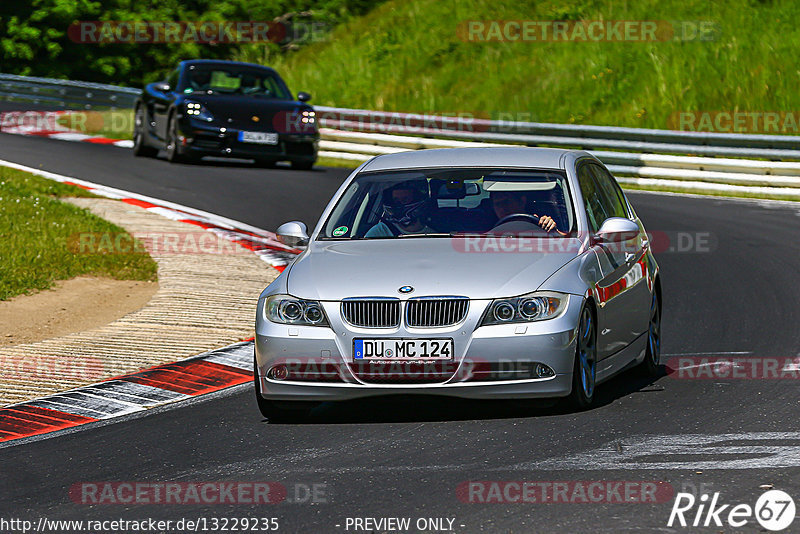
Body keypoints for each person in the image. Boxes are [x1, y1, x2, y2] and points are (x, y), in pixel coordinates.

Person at [365, 181, 437, 237]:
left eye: (405, 200)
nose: (400, 204)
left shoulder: (437, 235)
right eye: (396, 201)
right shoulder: (378, 233)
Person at [489, 190, 561, 233]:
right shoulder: (487, 228)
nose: (502, 208)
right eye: (498, 204)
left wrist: (552, 229)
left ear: (522, 201)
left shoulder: (539, 223)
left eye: (506, 202)